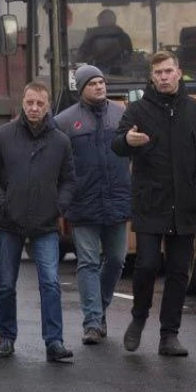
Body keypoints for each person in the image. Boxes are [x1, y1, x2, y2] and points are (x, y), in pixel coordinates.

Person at [112, 50, 196, 357]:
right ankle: (138, 318)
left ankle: (169, 334)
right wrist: (128, 141)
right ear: (151, 77)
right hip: (151, 202)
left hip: (185, 204)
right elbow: (117, 144)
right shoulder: (138, 110)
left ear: (179, 73)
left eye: (169, 71)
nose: (164, 77)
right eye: (158, 73)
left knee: (179, 270)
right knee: (146, 264)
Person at [0, 82, 76, 362]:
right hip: (10, 222)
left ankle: (54, 341)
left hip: (45, 223)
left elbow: (70, 179)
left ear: (48, 106)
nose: (34, 108)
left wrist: (59, 206)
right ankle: (7, 337)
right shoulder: (2, 135)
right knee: (7, 283)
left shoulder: (60, 141)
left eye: (40, 104)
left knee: (50, 282)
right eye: (30, 102)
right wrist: (1, 203)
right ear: (23, 102)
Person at [54, 65, 131, 345]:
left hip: (117, 199)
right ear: (82, 89)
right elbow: (57, 163)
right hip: (83, 202)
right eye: (93, 83)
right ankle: (92, 322)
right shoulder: (64, 122)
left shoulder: (122, 115)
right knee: (87, 261)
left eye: (102, 82)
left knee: (116, 259)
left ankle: (99, 310)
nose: (99, 87)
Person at [75, 9, 134, 73]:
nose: (103, 21)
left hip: (118, 75)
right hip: (93, 73)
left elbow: (128, 59)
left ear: (113, 20)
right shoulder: (91, 36)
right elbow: (81, 57)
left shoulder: (123, 37)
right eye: (102, 18)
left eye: (106, 18)